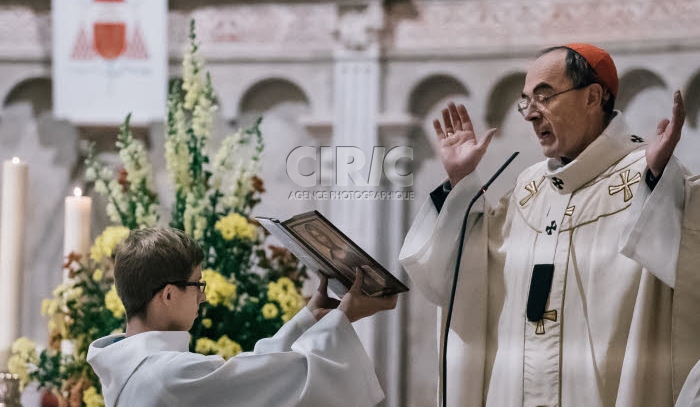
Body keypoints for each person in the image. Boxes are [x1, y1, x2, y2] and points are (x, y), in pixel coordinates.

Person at [399, 43, 700, 406]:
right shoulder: (529, 187)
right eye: (526, 101)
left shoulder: (648, 176)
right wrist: (458, 184)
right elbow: (461, 273)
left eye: (544, 97)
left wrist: (658, 183)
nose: (530, 114)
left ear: (592, 97)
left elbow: (682, 266)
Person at [87, 227, 397, 407]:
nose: (203, 296)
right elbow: (296, 382)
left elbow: (244, 378)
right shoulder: (168, 376)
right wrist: (343, 317)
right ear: (168, 295)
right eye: (198, 285)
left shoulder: (129, 368)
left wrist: (308, 320)